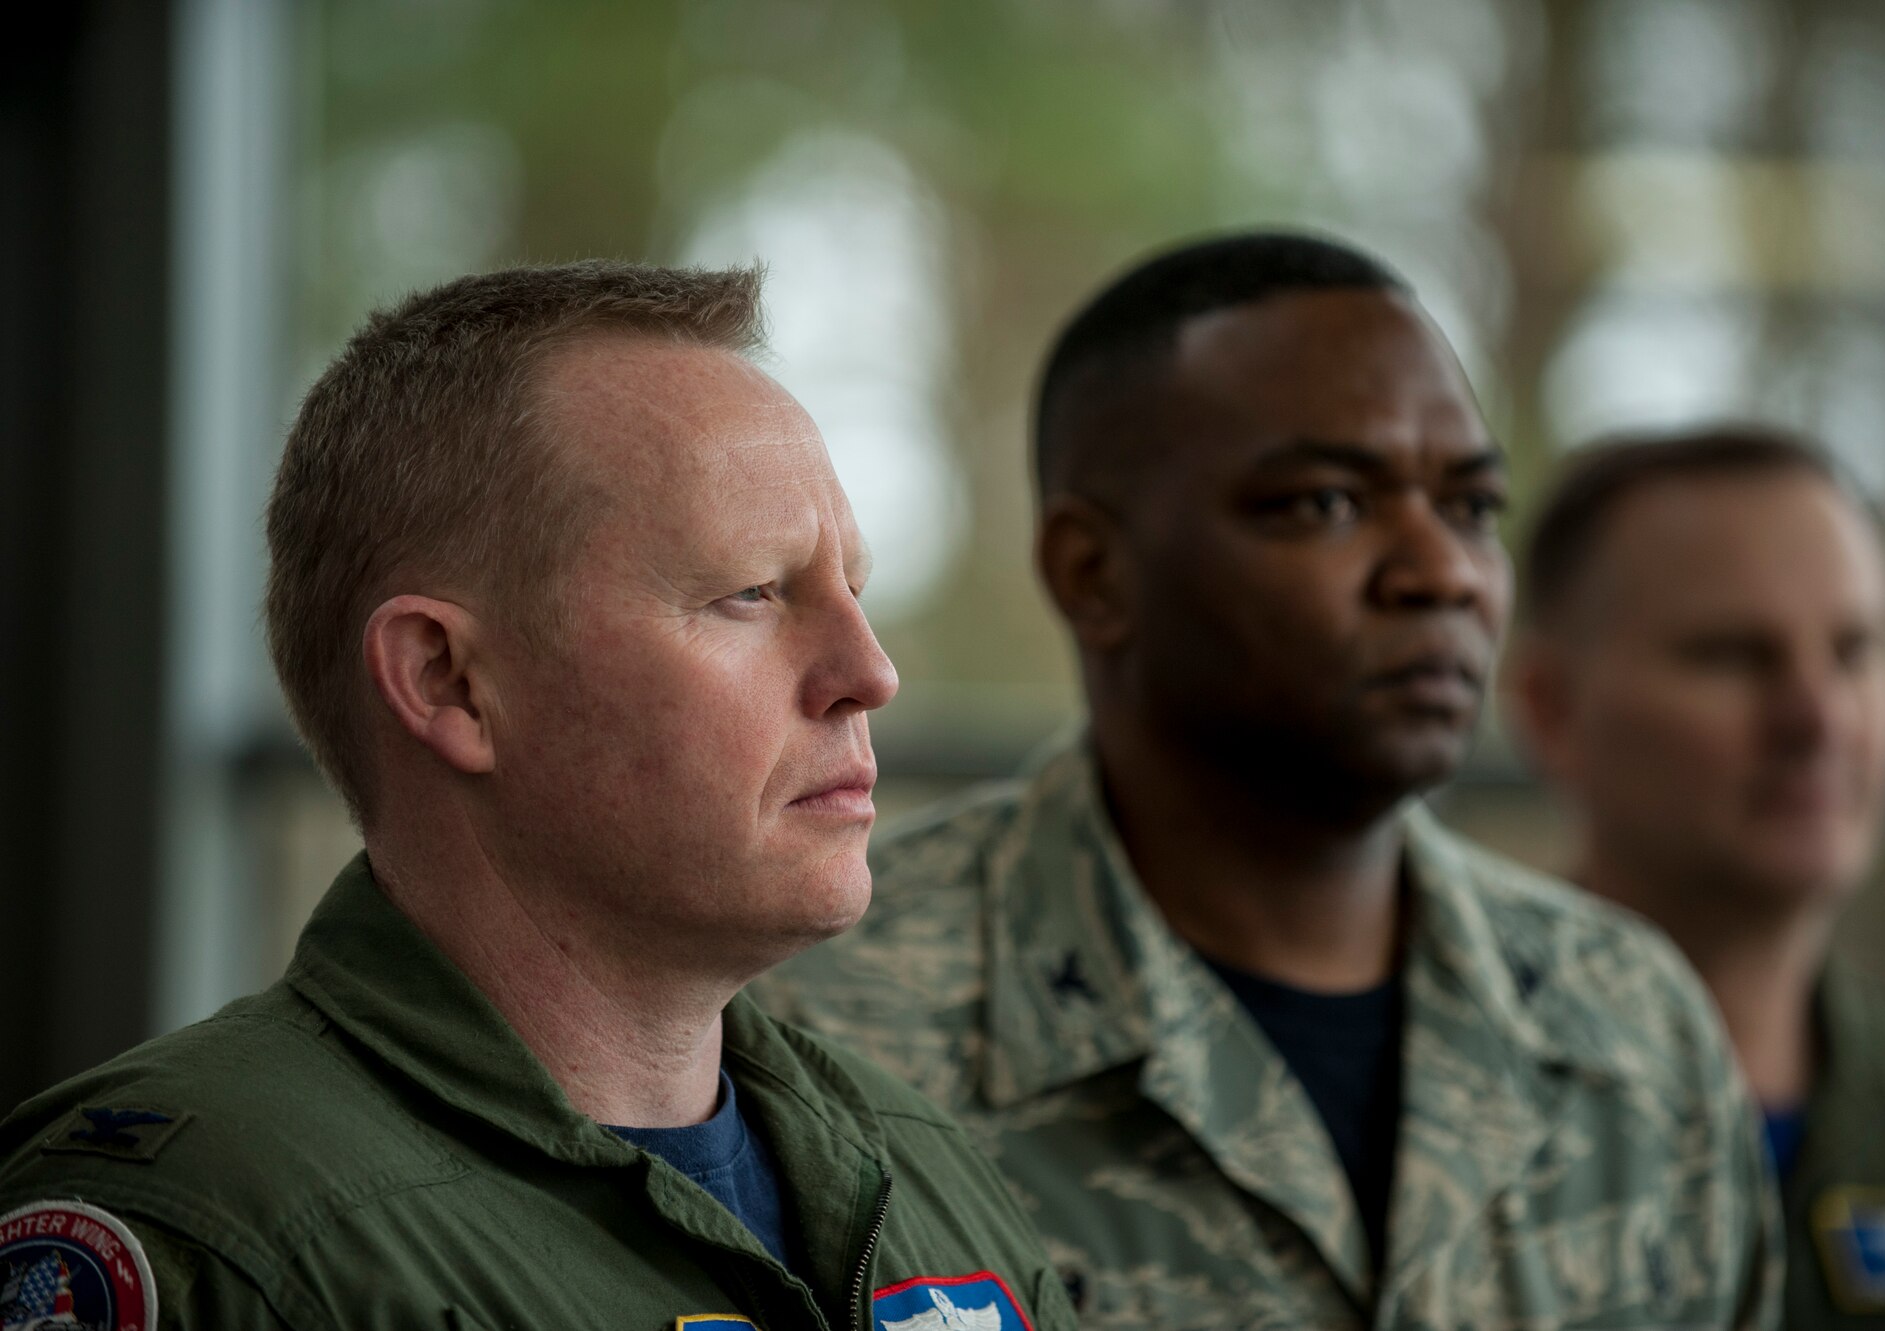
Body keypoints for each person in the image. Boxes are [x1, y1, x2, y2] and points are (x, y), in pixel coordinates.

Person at [0, 262, 1077, 1331]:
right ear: (448, 681)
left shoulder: (919, 1165)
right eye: (748, 591)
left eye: (854, 585)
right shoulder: (210, 1233)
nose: (869, 672)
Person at [755, 233, 1780, 1329]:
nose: (1438, 572)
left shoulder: (1627, 1028)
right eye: (1324, 504)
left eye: (1471, 508)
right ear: (1093, 572)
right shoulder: (820, 1028)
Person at [1507, 426, 1885, 1327]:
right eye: (1732, 653)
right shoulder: (1433, 1100)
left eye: (1854, 650)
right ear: (1551, 708)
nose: (1817, 715)